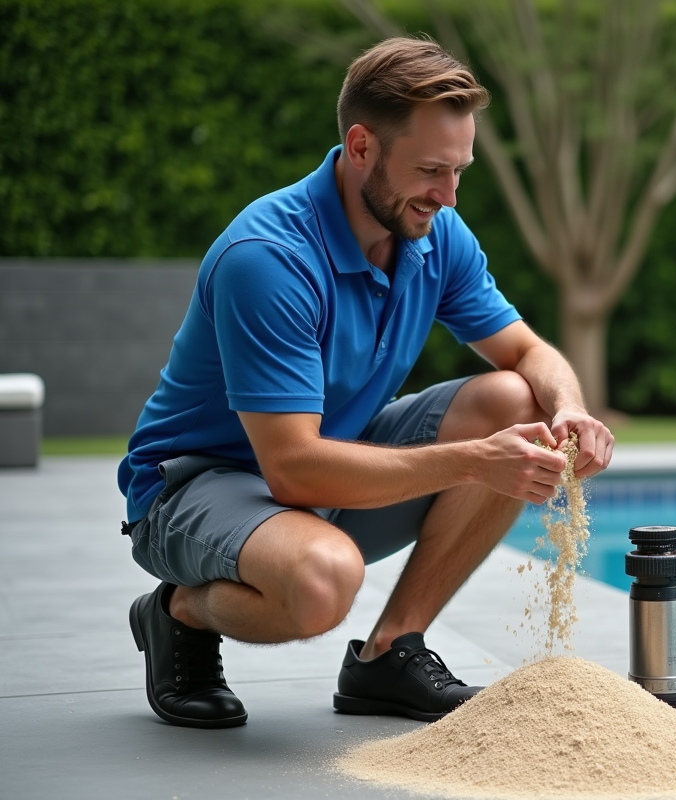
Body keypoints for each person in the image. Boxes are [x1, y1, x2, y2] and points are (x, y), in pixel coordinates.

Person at [117, 36, 614, 729]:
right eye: (431, 170)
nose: (447, 195)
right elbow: (292, 470)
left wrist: (571, 410)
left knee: (517, 399)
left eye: (459, 170)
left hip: (326, 464)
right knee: (324, 582)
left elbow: (527, 350)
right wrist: (477, 460)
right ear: (360, 147)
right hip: (195, 485)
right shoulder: (269, 259)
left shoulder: (436, 233)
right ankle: (177, 612)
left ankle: (388, 655)